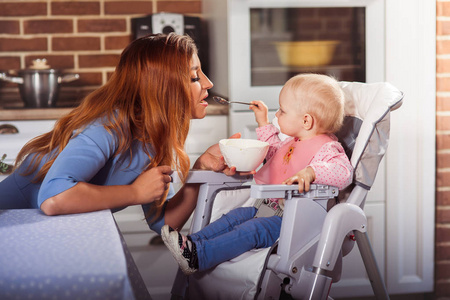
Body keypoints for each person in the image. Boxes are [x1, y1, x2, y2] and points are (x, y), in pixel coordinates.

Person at [0, 33, 240, 233]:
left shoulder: (153, 137)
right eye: (194, 76)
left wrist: (200, 171)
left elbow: (164, 222)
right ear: (162, 86)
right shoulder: (109, 127)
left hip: (50, 230)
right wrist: (135, 192)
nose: (208, 84)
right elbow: (53, 199)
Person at [161, 73, 354, 275]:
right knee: (234, 218)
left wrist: (312, 172)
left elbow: (343, 173)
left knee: (252, 231)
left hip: (292, 223)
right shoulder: (294, 142)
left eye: (282, 111)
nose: (277, 115)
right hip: (267, 208)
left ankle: (200, 256)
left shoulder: (327, 148)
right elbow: (273, 154)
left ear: (306, 121)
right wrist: (262, 122)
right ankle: (191, 244)